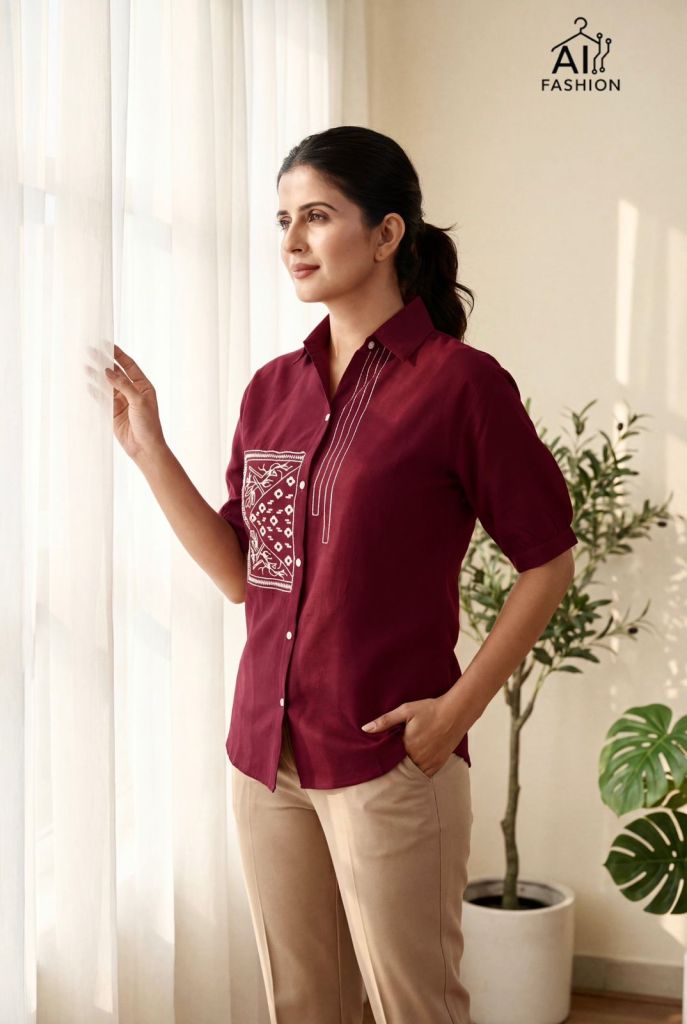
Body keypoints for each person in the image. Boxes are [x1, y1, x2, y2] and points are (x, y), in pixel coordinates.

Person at [104, 125, 578, 1024]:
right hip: (266, 756)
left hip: (387, 756)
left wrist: (456, 712)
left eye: (316, 216)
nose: (292, 241)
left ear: (387, 232)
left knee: (414, 1008)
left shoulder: (460, 385)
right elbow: (246, 575)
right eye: (282, 220)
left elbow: (546, 559)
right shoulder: (271, 391)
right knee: (303, 1007)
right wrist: (149, 450)